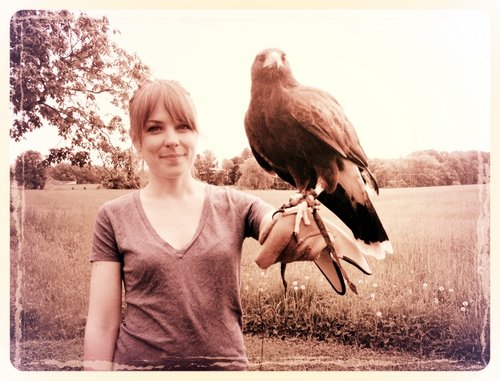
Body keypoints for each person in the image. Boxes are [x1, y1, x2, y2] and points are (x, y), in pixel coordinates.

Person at [83, 79, 276, 371]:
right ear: (137, 139)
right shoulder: (112, 216)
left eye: (182, 126)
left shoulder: (235, 205)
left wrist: (298, 220)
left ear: (195, 134)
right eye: (155, 128)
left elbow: (276, 222)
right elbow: (101, 324)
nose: (172, 139)